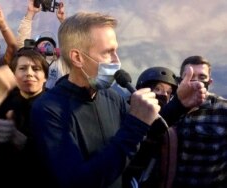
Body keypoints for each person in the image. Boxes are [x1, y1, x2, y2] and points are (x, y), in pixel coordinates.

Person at [30, 12, 206, 188]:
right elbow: (78, 181)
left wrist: (179, 104)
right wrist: (135, 124)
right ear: (78, 57)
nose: (117, 61)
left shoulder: (112, 97)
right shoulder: (48, 109)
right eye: (108, 52)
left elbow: (145, 131)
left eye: (116, 51)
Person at [0, 48, 49, 188]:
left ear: (45, 76)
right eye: (22, 68)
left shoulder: (55, 105)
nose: (29, 73)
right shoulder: (5, 99)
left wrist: (22, 141)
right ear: (14, 75)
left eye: (36, 68)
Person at [172, 55, 227, 188]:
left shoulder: (223, 110)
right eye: (190, 76)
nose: (196, 82)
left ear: (210, 82)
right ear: (180, 81)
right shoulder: (168, 109)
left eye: (202, 77)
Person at [123, 67, 179, 188]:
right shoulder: (126, 114)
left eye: (169, 92)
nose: (164, 95)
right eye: (158, 89)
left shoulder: (172, 126)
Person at [17, 0, 69, 89]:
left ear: (54, 49)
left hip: (55, 100)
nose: (45, 45)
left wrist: (63, 20)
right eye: (42, 43)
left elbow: (71, 41)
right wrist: (30, 14)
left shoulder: (62, 63)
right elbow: (23, 40)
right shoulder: (30, 60)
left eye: (48, 43)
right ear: (35, 49)